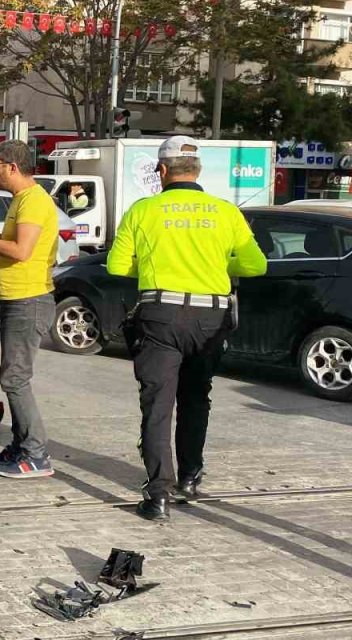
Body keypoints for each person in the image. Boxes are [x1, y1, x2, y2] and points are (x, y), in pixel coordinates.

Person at [106, 136, 267, 521]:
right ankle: (191, 477)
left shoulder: (143, 210)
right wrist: (216, 267)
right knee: (196, 397)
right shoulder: (225, 212)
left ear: (162, 170)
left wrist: (150, 268)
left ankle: (157, 495)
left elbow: (115, 266)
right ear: (197, 171)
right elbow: (256, 265)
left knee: (158, 404)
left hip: (160, 315)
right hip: (210, 319)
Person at [0, 140, 59, 479]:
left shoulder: (34, 202)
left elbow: (21, 251)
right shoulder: (22, 200)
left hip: (29, 300)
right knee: (13, 377)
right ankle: (22, 445)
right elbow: (15, 248)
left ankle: (36, 454)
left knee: (15, 378)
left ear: (13, 167)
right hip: (16, 298)